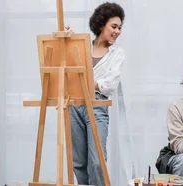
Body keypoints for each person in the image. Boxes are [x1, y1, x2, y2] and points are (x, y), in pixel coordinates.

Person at [66, 2, 126, 186]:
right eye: (113, 26)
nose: (117, 31)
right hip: (74, 104)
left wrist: (91, 83)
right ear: (101, 24)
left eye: (119, 28)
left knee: (97, 160)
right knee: (78, 162)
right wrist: (67, 40)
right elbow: (66, 68)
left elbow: (110, 85)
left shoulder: (117, 54)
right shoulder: (81, 45)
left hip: (97, 105)